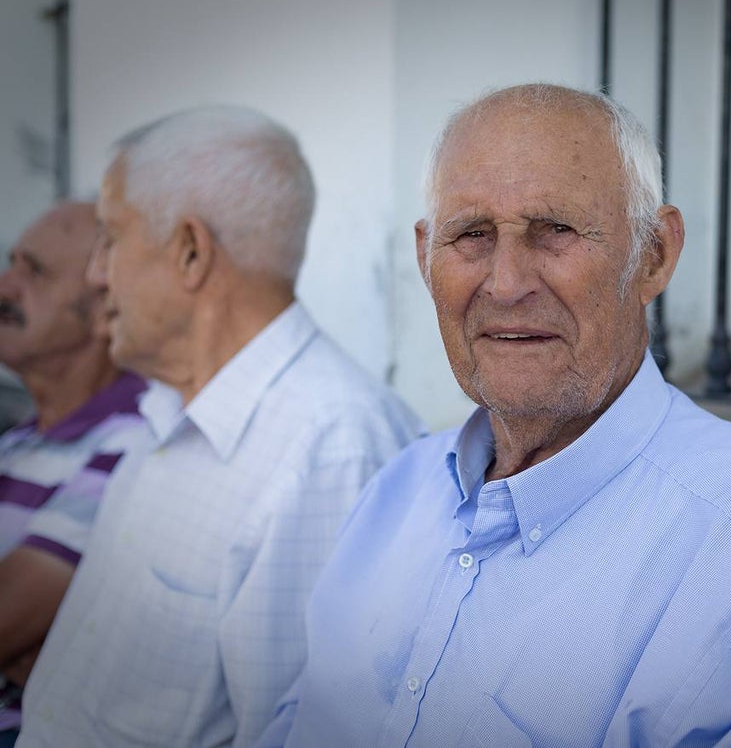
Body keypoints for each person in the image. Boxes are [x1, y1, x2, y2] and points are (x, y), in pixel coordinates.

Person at [259, 83, 731, 747]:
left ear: (654, 253)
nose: (507, 283)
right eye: (471, 235)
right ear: (427, 258)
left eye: (556, 231)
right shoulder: (391, 496)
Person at [18, 107, 423, 748]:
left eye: (111, 239)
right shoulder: (167, 411)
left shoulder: (330, 449)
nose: (97, 275)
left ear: (190, 252)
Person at [0, 202, 147, 747]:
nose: (6, 286)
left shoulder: (136, 437)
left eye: (34, 270)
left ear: (103, 301)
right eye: (11, 262)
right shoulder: (19, 441)